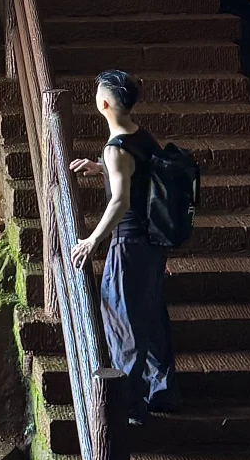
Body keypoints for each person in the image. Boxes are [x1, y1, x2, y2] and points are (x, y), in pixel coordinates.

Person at [69, 69, 178, 425]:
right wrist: (101, 167)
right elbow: (140, 173)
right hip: (153, 241)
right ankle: (162, 390)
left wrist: (92, 240)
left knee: (121, 319)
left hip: (128, 244)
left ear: (103, 104)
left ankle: (130, 405)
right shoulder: (140, 136)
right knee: (150, 312)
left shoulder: (116, 148)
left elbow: (120, 201)